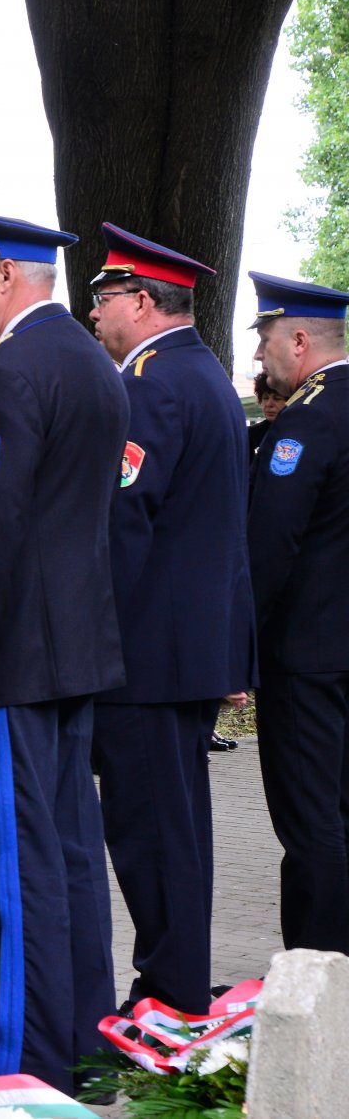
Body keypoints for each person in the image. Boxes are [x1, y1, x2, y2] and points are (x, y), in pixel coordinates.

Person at [0, 206, 126, 1092]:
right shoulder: (93, 361)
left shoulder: (12, 370)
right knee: (72, 859)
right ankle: (89, 1049)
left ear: (6, 276)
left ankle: (28, 1060)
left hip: (14, 658)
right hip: (75, 648)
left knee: (15, 870)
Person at [85, 224, 253, 1013]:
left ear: (143, 301)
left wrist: (91, 633)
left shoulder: (151, 382)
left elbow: (124, 522)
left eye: (105, 296)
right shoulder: (203, 372)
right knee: (176, 828)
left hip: (147, 651)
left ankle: (169, 990)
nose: (94, 312)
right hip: (186, 646)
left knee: (149, 831)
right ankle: (177, 978)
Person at [245, 270, 349, 954]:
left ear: (300, 342)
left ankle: (316, 974)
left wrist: (239, 645)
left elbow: (269, 545)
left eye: (265, 340)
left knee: (311, 820)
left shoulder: (310, 418)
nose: (260, 355)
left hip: (306, 655)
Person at [248, 370, 288, 457]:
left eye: (277, 398)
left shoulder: (301, 432)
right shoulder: (250, 435)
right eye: (265, 398)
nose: (269, 404)